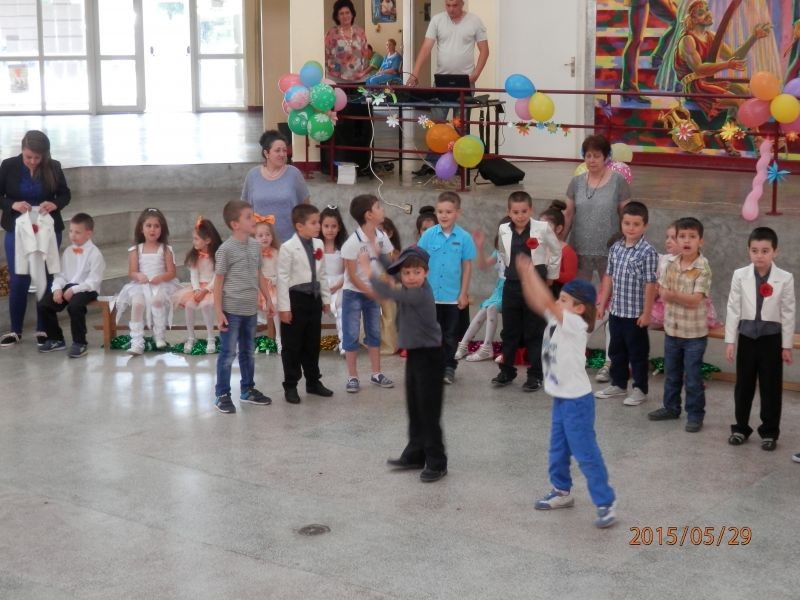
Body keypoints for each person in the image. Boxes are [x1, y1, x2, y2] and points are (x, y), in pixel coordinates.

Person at [516, 258, 617, 529]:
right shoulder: (559, 318)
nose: (557, 303)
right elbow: (538, 302)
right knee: (558, 448)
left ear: (579, 308)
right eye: (559, 299)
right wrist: (525, 277)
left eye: (564, 300)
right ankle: (561, 491)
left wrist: (532, 273)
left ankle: (605, 502)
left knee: (585, 452)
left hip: (577, 402)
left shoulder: (575, 323)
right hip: (561, 398)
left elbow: (548, 303)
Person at [368, 246, 448, 483]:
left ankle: (437, 462)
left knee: (429, 411)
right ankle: (415, 454)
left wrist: (367, 272)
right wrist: (378, 253)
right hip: (415, 354)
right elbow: (393, 272)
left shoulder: (419, 294)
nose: (411, 277)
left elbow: (388, 291)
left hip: (430, 356)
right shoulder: (409, 284)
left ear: (426, 273)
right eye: (407, 273)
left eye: (416, 272)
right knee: (414, 406)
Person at [725, 227, 795, 451]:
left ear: (775, 252)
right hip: (747, 337)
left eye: (765, 251)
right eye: (755, 250)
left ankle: (770, 431)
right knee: (743, 385)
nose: (759, 255)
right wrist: (730, 341)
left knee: (770, 387)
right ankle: (740, 428)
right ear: (748, 251)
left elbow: (788, 312)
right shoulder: (740, 275)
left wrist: (786, 345)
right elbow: (733, 308)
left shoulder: (785, 278)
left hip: (771, 339)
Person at [0, 130, 71, 348]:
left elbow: (65, 194)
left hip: (47, 228)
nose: (32, 161)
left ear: (45, 155)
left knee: (45, 278)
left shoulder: (54, 166)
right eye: (28, 157)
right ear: (22, 150)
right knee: (18, 278)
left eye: (37, 158)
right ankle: (15, 330)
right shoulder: (8, 165)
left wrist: (54, 204)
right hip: (17, 228)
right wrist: (12, 204)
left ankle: (43, 328)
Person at [406, 0, 489, 176]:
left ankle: (459, 164)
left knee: (461, 125)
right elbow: (426, 48)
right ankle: (432, 163)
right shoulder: (437, 20)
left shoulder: (474, 21)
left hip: (465, 81)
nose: (451, 9)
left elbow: (484, 50)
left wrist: (475, 74)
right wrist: (414, 73)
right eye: (448, 5)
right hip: (441, 80)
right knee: (436, 124)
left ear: (462, 4)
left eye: (455, 5)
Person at [491, 191, 561, 393]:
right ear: (509, 212)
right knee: (509, 331)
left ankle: (536, 374)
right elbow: (502, 251)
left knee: (535, 331)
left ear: (531, 210)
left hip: (536, 283)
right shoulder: (503, 229)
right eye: (515, 212)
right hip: (512, 284)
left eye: (524, 211)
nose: (520, 215)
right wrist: (507, 269)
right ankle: (507, 370)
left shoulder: (542, 228)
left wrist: (551, 275)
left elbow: (556, 251)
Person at [647, 217, 711, 432]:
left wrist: (673, 295)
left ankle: (695, 415)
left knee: (692, 377)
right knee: (671, 374)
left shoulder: (703, 267)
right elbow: (662, 291)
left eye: (692, 237)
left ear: (701, 241)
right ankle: (671, 407)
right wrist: (670, 294)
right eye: (681, 236)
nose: (686, 240)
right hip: (672, 330)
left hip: (694, 335)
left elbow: (695, 300)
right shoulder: (670, 263)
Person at [595, 202, 658, 407]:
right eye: (627, 223)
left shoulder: (647, 252)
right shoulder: (616, 248)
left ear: (645, 226)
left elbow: (650, 284)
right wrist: (602, 304)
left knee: (637, 353)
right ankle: (618, 384)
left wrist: (646, 312)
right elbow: (609, 277)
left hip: (635, 314)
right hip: (616, 310)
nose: (631, 228)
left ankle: (640, 389)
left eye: (636, 224)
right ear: (621, 223)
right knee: (616, 350)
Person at [213, 200, 274, 414]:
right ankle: (222, 394)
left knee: (248, 352)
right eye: (248, 217)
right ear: (235, 224)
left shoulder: (255, 246)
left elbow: (259, 274)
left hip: (250, 309)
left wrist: (268, 299)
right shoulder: (225, 250)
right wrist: (218, 312)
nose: (253, 220)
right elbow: (218, 283)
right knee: (228, 353)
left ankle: (247, 389)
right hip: (231, 310)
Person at [417, 192, 476, 385]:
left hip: (452, 298)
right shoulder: (428, 235)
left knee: (451, 336)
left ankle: (449, 367)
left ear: (457, 213)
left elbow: (467, 266)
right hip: (430, 297)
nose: (443, 215)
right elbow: (418, 262)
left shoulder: (464, 237)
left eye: (448, 212)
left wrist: (463, 293)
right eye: (440, 211)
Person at [277, 204, 333, 405]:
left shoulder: (318, 244)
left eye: (318, 222)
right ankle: (291, 385)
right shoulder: (287, 247)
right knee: (292, 345)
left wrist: (326, 299)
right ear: (299, 226)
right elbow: (282, 279)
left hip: (314, 299)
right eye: (314, 223)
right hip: (296, 300)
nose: (318, 226)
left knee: (312, 343)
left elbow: (322, 274)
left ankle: (313, 381)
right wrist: (284, 308)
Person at [340, 194, 394, 393]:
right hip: (353, 293)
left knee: (374, 332)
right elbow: (351, 275)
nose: (382, 209)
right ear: (369, 215)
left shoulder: (382, 237)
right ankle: (352, 376)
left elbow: (388, 262)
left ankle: (376, 373)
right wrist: (368, 291)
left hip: (373, 293)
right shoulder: (352, 242)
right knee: (351, 334)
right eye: (378, 207)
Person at [112, 208, 182, 355]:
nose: (152, 229)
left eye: (156, 226)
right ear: (141, 228)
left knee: (157, 301)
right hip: (141, 285)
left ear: (162, 229)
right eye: (148, 225)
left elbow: (172, 272)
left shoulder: (166, 249)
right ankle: (137, 342)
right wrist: (138, 276)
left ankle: (159, 336)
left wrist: (161, 277)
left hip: (161, 284)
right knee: (137, 304)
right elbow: (132, 272)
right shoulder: (135, 250)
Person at [37, 213, 105, 358]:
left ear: (88, 234)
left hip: (87, 288)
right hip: (68, 286)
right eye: (71, 231)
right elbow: (61, 275)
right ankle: (56, 339)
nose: (73, 235)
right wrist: (57, 289)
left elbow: (93, 281)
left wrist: (74, 289)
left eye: (77, 232)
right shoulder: (68, 251)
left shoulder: (95, 254)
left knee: (75, 306)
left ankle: (80, 343)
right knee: (44, 305)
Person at [564, 135, 631, 282]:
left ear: (606, 157)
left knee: (610, 292)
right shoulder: (576, 182)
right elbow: (568, 214)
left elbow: (627, 215)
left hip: (610, 247)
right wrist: (560, 241)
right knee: (580, 292)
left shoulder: (618, 181)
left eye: (596, 156)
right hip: (580, 246)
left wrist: (629, 243)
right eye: (588, 156)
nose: (592, 160)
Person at [454, 217, 509, 362]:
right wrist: (479, 247)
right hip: (499, 289)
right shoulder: (499, 251)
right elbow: (483, 265)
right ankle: (463, 344)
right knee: (482, 310)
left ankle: (487, 347)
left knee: (491, 308)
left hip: (511, 289)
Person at [241, 130, 309, 244]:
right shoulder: (253, 175)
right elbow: (245, 209)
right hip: (260, 242)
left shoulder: (294, 174)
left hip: (290, 241)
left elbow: (306, 208)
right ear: (266, 153)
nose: (282, 154)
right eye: (277, 150)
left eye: (284, 150)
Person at [173, 216, 223, 355]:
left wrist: (206, 290)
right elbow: (194, 275)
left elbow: (217, 276)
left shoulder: (218, 256)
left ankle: (211, 338)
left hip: (213, 288)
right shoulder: (195, 256)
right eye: (193, 238)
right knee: (189, 305)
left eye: (196, 239)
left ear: (207, 240)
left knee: (206, 305)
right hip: (198, 287)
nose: (193, 242)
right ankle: (191, 336)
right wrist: (196, 289)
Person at [318, 205, 348, 355]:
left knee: (341, 306)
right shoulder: (316, 247)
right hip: (320, 285)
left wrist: (337, 285)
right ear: (320, 227)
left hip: (339, 284)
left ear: (339, 227)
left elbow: (347, 271)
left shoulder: (343, 248)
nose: (330, 230)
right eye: (326, 226)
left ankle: (345, 343)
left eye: (333, 226)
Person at [253, 214, 282, 354]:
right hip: (259, 287)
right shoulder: (253, 254)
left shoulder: (276, 252)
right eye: (260, 235)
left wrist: (275, 280)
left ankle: (279, 337)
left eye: (267, 234)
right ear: (254, 238)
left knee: (275, 303)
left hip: (274, 286)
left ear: (272, 236)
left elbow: (281, 271)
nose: (264, 238)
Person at [538, 200, 578, 298]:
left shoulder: (567, 251)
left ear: (558, 229)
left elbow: (570, 277)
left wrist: (549, 272)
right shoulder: (537, 246)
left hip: (557, 295)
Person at [325, 0, 370, 84]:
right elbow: (326, 55)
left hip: (359, 79)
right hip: (337, 80)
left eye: (347, 12)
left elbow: (365, 54)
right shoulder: (331, 33)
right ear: (337, 16)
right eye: (341, 13)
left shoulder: (360, 32)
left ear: (352, 14)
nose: (345, 16)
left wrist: (363, 71)